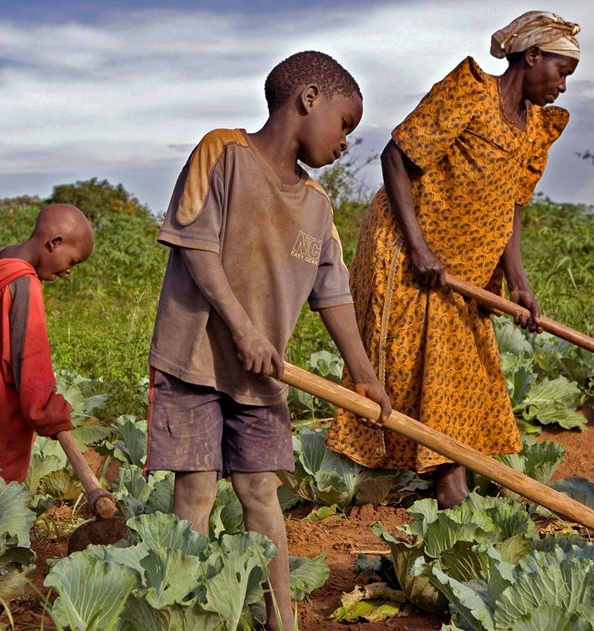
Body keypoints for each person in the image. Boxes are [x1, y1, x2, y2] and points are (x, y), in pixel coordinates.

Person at [144, 51, 391, 631]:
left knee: (261, 493)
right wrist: (243, 328)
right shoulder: (223, 151)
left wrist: (363, 374)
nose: (345, 142)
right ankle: (187, 618)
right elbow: (195, 246)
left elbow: (334, 295)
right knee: (196, 494)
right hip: (193, 360)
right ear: (308, 99)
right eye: (345, 123)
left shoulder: (317, 206)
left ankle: (283, 622)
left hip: (261, 376)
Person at [326, 11, 580, 509]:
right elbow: (395, 157)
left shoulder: (534, 130)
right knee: (416, 362)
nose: (563, 86)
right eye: (560, 71)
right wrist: (420, 248)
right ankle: (443, 480)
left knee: (464, 366)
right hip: (407, 250)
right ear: (531, 57)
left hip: (466, 272)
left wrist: (518, 280)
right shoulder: (469, 92)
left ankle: (442, 474)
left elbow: (510, 205)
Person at [0, 203, 95, 482]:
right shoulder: (24, 284)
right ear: (55, 243)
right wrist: (48, 411)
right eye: (72, 261)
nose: (70, 270)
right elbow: (31, 359)